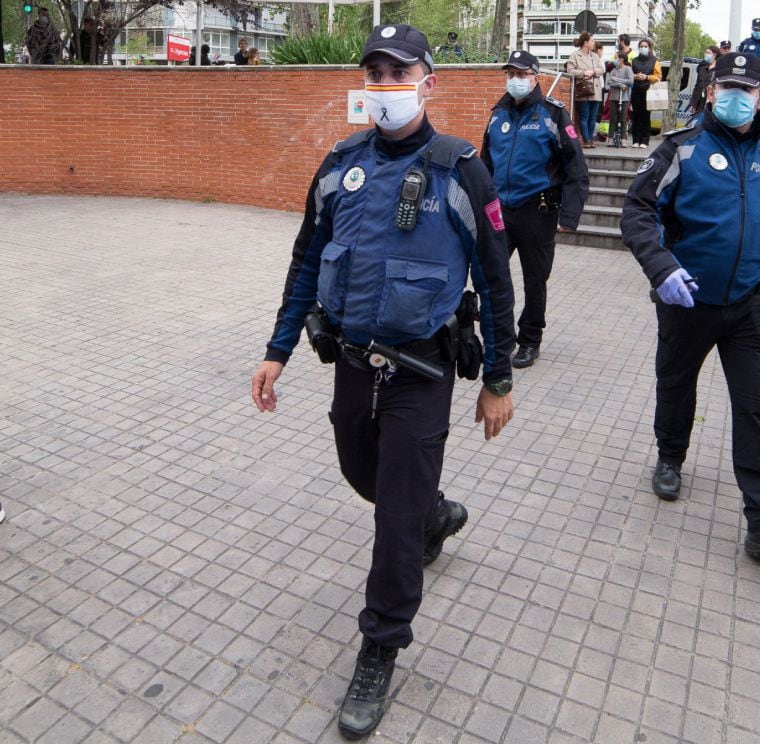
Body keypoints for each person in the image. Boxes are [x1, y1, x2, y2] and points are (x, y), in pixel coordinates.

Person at [250, 24, 516, 739]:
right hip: (352, 364)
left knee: (391, 517)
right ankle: (433, 514)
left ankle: (381, 643)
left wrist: (497, 375)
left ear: (429, 83)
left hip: (422, 371)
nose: (385, 87)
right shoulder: (341, 165)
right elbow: (306, 262)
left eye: (400, 74)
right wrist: (278, 348)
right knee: (362, 471)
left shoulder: (461, 170)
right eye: (376, 74)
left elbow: (494, 277)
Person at [621, 53, 760, 567]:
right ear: (711, 92)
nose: (736, 96)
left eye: (747, 89)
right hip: (687, 299)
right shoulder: (681, 150)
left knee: (757, 409)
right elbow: (637, 211)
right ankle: (670, 456)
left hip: (750, 304)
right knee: (676, 384)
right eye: (727, 87)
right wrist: (661, 267)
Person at [481, 50, 589, 369]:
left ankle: (530, 340)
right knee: (493, 274)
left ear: (535, 77)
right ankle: (500, 336)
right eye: (510, 74)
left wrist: (569, 216)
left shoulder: (553, 115)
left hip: (538, 210)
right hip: (501, 209)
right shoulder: (498, 114)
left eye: (521, 74)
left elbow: (577, 167)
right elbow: (485, 166)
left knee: (534, 279)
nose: (514, 80)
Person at [567, 32, 604, 148]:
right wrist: (583, 73)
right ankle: (586, 140)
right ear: (585, 42)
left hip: (596, 90)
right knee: (584, 116)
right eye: (592, 41)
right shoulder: (575, 55)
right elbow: (570, 70)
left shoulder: (595, 56)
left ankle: (590, 139)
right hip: (582, 89)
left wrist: (593, 72)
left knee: (593, 117)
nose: (593, 43)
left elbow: (602, 69)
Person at [629, 38, 661, 148]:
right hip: (636, 90)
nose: (643, 48)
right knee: (636, 116)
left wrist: (647, 77)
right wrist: (635, 76)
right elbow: (629, 74)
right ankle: (635, 140)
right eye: (641, 46)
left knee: (645, 116)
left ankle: (644, 140)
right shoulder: (634, 61)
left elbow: (658, 77)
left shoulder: (655, 61)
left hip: (649, 91)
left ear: (649, 48)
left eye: (645, 46)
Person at [607, 50, 633, 146]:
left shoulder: (628, 69)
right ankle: (610, 138)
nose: (615, 60)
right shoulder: (614, 70)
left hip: (625, 98)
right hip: (614, 97)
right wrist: (620, 84)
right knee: (613, 118)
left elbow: (631, 82)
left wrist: (616, 79)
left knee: (623, 119)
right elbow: (609, 82)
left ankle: (623, 139)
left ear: (621, 59)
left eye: (617, 58)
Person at [690, 46, 722, 116]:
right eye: (705, 53)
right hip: (700, 101)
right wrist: (693, 103)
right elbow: (697, 86)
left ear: (715, 55)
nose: (706, 54)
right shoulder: (702, 68)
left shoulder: (719, 69)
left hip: (711, 101)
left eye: (708, 53)